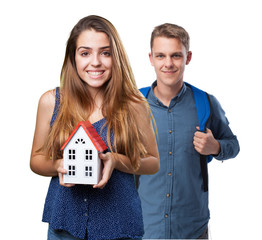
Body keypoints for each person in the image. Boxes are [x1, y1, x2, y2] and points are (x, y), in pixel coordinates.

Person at [30, 15, 159, 240]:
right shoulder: (51, 101)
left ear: (115, 57)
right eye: (85, 53)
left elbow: (152, 162)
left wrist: (116, 160)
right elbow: (36, 160)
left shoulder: (134, 104)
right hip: (65, 225)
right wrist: (61, 165)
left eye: (105, 52)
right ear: (73, 57)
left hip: (119, 227)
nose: (96, 62)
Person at [137, 23, 240, 239]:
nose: (168, 63)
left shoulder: (206, 103)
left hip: (192, 230)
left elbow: (233, 145)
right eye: (160, 56)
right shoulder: (132, 105)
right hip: (143, 229)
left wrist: (217, 147)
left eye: (176, 55)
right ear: (150, 58)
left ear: (188, 57)